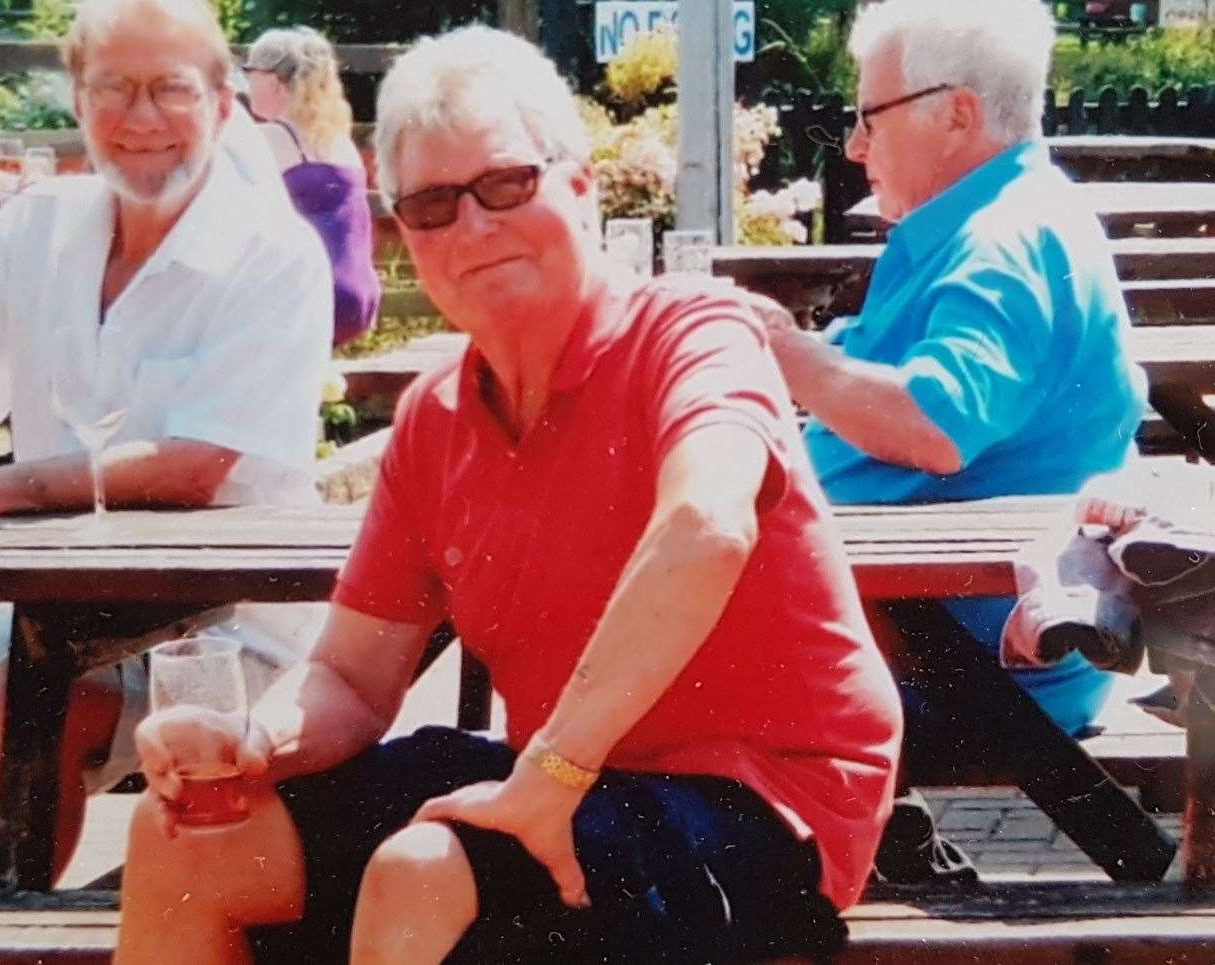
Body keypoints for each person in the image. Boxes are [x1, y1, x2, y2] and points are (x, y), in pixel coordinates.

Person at [114, 25, 902, 965]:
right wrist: (249, 739)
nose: (473, 227)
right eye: (435, 205)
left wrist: (552, 770)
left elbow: (706, 526)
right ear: (405, 234)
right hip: (569, 774)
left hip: (770, 802)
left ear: (581, 185)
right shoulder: (436, 418)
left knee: (422, 870)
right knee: (192, 839)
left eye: (505, 185)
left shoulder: (693, 332)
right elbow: (356, 679)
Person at [0, 0, 333, 891]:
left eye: (169, 89)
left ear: (220, 100)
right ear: (78, 98)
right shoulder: (41, 225)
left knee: (29, 703)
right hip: (49, 612)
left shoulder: (271, 251)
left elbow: (193, 467)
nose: (140, 119)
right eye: (111, 89)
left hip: (228, 632)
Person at [762, 0, 1148, 882]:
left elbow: (936, 423)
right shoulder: (990, 220)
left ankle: (834, 860)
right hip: (929, 630)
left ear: (957, 113)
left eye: (868, 118)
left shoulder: (1001, 244)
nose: (855, 146)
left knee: (623, 656)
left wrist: (784, 358)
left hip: (965, 659)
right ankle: (865, 845)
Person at [243, 27, 378, 345]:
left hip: (314, 295)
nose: (246, 84)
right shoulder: (338, 141)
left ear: (275, 81)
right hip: (359, 295)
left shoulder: (273, 138)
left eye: (251, 73)